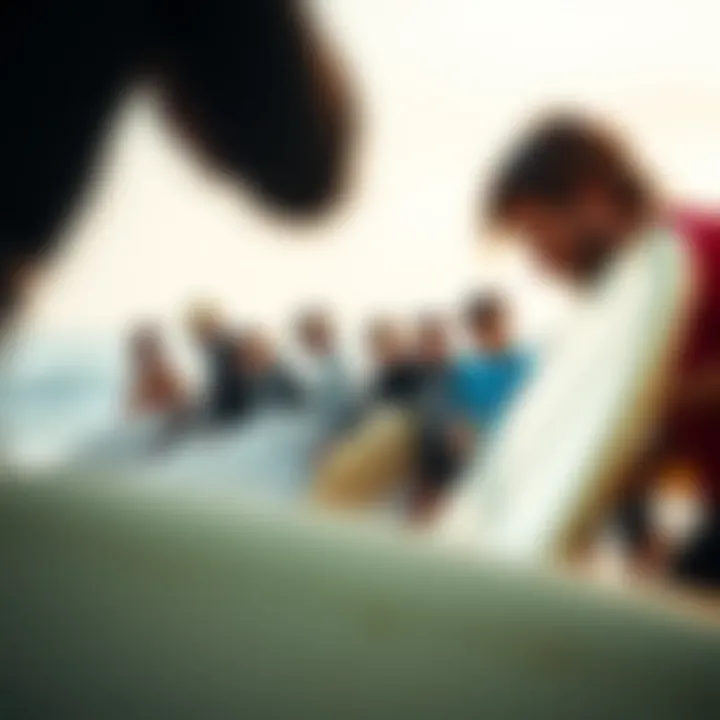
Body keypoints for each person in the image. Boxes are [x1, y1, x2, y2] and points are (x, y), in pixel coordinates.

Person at [484, 111, 720, 587]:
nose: (540, 261)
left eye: (536, 229)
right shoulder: (636, 294)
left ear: (592, 199)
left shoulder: (693, 249)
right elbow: (676, 439)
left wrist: (638, 401)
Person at [447, 293, 533, 451]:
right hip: (495, 449)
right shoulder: (466, 375)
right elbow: (461, 427)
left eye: (496, 324)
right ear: (474, 333)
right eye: (484, 328)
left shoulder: (530, 360)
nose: (495, 333)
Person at [296, 308, 357, 440]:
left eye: (315, 334)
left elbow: (337, 418)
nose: (308, 341)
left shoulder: (338, 371)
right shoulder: (318, 369)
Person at [186, 304, 252, 426]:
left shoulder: (225, 350)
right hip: (231, 417)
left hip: (238, 421)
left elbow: (229, 396)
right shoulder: (217, 351)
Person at [126, 324, 187, 418]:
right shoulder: (139, 387)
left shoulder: (170, 381)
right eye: (140, 352)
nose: (143, 358)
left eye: (146, 351)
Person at [366, 318, 425, 408]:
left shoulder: (419, 372)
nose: (384, 350)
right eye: (379, 346)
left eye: (387, 342)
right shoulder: (382, 379)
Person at [242, 328, 303, 412]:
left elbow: (296, 405)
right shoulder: (239, 380)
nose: (255, 355)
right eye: (251, 350)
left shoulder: (283, 378)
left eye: (260, 349)